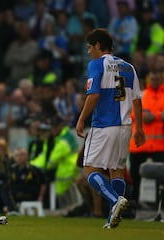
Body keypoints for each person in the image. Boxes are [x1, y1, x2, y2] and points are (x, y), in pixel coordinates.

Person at [75, 28, 145, 229]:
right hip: (125, 127)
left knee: (90, 169)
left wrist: (81, 120)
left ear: (98, 45)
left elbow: (94, 94)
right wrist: (139, 128)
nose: (89, 51)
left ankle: (115, 201)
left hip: (104, 125)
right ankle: (112, 217)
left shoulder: (97, 64)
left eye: (90, 47)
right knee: (117, 172)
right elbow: (137, 100)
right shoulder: (128, 67)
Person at [129, 70, 164, 208]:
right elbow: (132, 113)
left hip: (159, 144)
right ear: (149, 80)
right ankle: (133, 202)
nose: (155, 81)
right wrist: (157, 115)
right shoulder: (142, 95)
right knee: (134, 176)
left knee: (161, 177)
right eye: (152, 78)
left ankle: (159, 205)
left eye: (157, 79)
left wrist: (152, 116)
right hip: (140, 143)